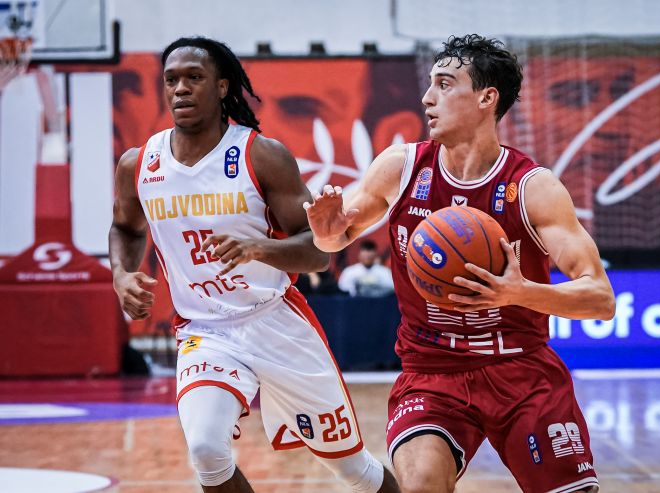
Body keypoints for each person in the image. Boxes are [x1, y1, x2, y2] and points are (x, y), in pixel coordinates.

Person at [305, 35, 616, 493]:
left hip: (521, 369)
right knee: (421, 485)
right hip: (431, 373)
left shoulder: (533, 188)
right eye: (430, 83)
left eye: (445, 84)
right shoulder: (401, 167)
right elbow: (335, 238)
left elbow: (601, 298)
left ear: (487, 98)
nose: (427, 97)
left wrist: (520, 292)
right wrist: (324, 230)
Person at [109, 36, 399, 493]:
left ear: (222, 86)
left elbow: (318, 251)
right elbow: (126, 229)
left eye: (194, 77)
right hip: (205, 332)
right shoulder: (139, 164)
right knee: (206, 450)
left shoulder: (261, 155)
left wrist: (258, 249)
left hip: (275, 323)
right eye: (171, 80)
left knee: (352, 469)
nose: (180, 89)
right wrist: (121, 274)